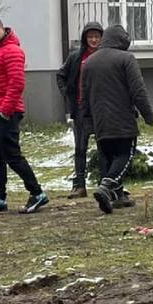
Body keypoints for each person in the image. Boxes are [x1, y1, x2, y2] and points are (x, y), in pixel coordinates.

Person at [0, 15, 49, 214]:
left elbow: (16, 83)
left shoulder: (12, 51)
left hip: (7, 112)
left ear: (3, 30)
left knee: (12, 156)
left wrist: (5, 112)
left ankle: (37, 193)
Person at [80, 24, 153, 214]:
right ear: (123, 41)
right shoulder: (126, 59)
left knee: (107, 156)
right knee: (124, 155)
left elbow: (85, 94)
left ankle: (117, 196)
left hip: (100, 121)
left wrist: (87, 120)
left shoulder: (89, 61)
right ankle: (106, 188)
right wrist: (148, 115)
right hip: (122, 118)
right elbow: (137, 90)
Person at [55, 20, 105, 199]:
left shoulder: (105, 56)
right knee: (80, 149)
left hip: (100, 110)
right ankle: (79, 186)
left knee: (104, 149)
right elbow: (60, 75)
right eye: (90, 37)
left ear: (102, 38)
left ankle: (105, 184)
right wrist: (66, 94)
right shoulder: (76, 57)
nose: (93, 40)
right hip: (80, 110)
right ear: (85, 38)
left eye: (97, 37)